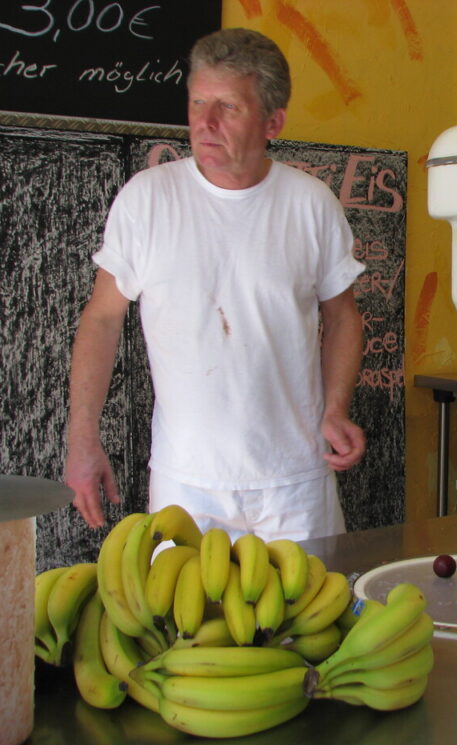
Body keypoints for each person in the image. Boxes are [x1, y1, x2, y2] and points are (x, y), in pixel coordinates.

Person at [64, 28, 366, 542]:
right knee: (183, 624)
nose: (204, 123)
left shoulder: (311, 204)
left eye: (227, 107)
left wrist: (336, 408)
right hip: (187, 487)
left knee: (305, 622)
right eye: (198, 101)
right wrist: (82, 435)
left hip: (295, 482)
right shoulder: (147, 200)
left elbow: (343, 316)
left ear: (273, 121)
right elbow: (102, 317)